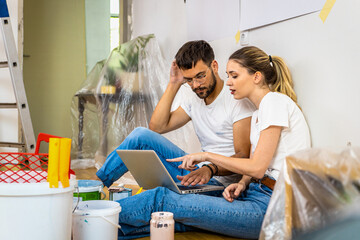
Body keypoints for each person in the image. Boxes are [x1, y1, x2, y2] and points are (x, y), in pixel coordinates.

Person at [114, 46, 311, 239]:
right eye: (228, 75)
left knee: (161, 198)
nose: (229, 82)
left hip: (270, 207)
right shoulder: (260, 111)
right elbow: (260, 166)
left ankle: (94, 219)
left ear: (256, 77)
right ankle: (103, 230)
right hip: (256, 193)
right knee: (173, 219)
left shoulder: (274, 102)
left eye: (234, 76)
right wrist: (242, 183)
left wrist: (207, 157)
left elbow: (258, 167)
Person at [96, 40, 255, 190]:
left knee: (155, 192)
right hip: (197, 170)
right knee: (140, 136)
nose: (196, 85)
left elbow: (242, 156)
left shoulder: (236, 99)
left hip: (217, 181)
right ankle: (96, 185)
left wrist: (210, 168)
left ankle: (94, 188)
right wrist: (174, 83)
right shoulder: (194, 97)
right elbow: (157, 127)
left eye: (200, 76)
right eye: (189, 80)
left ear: (214, 66)